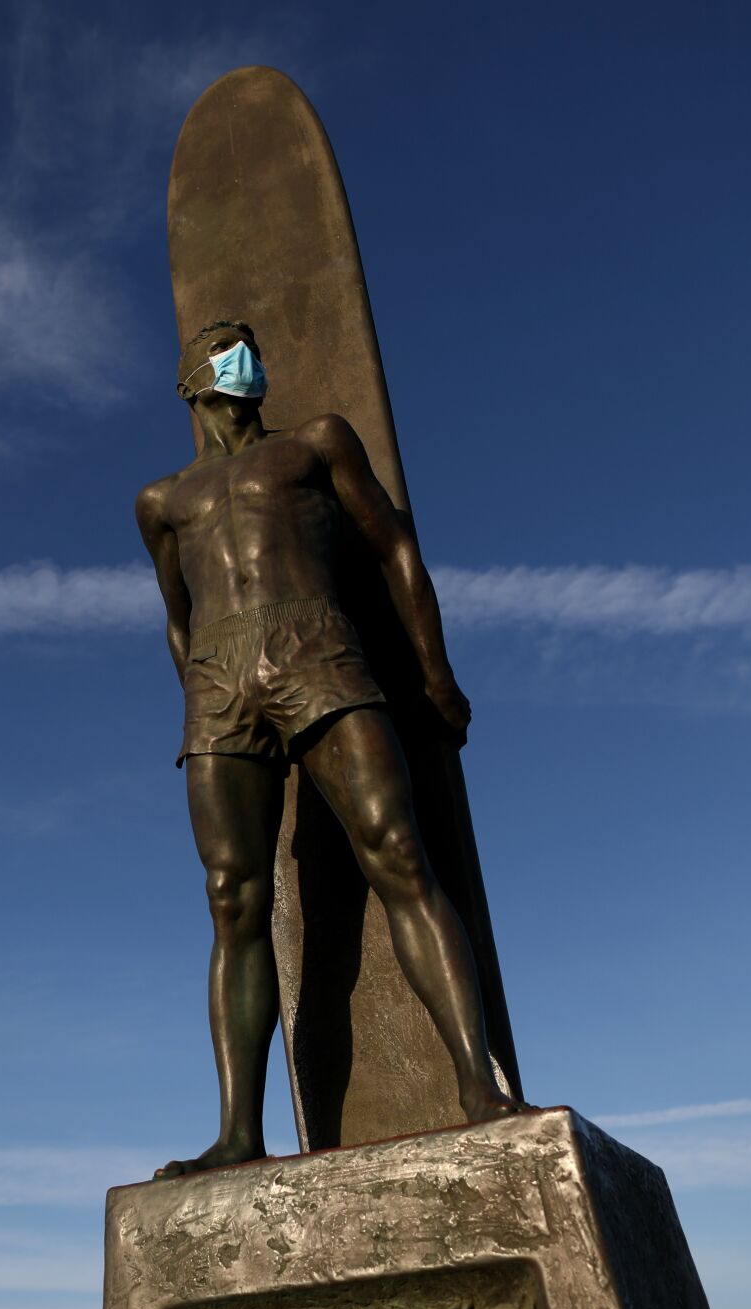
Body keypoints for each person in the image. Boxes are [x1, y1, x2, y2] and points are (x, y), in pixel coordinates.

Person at [135, 319, 526, 1179]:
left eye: (250, 346)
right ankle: (239, 1132)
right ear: (193, 383)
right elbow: (176, 613)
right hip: (220, 681)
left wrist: (434, 670)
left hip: (318, 648)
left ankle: (480, 1088)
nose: (246, 358)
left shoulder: (315, 446)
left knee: (397, 851)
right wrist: (202, 698)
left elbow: (394, 549)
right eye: (226, 348)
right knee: (233, 898)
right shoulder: (162, 502)